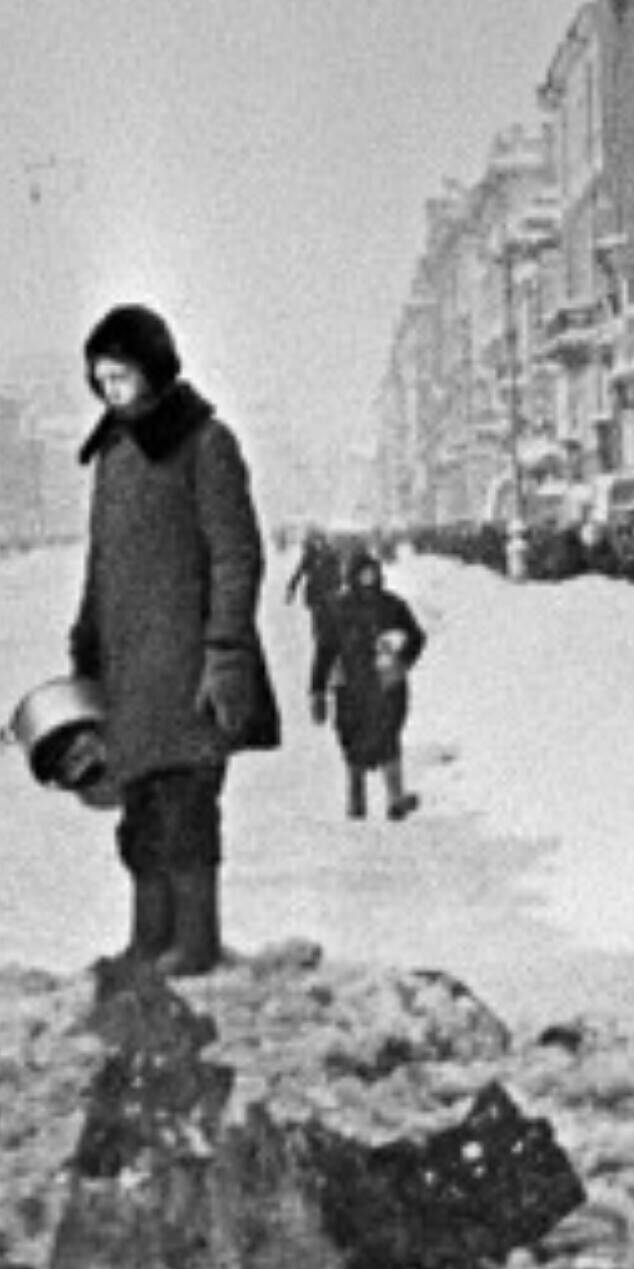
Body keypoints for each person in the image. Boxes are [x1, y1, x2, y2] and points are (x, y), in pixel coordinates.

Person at [69, 303, 281, 975]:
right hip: (128, 673)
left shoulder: (205, 443)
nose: (111, 391)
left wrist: (226, 653)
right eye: (101, 379)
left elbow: (235, 554)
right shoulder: (110, 454)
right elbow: (101, 560)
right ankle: (148, 937)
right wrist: (84, 641)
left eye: (121, 376)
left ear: (154, 370)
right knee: (139, 813)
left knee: (186, 810)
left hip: (190, 669)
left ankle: (194, 940)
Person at [325, 550, 427, 821]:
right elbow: (326, 648)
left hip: (386, 685)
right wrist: (316, 689)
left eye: (373, 572)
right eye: (363, 572)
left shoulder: (393, 605)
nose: (369, 578)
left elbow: (416, 636)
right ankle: (355, 800)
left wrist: (402, 662)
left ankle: (396, 799)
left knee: (389, 735)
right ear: (352, 575)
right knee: (351, 738)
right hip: (351, 685)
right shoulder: (339, 607)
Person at [283, 529, 343, 723]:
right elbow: (299, 573)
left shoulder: (332, 555)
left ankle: (333, 674)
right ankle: (318, 695)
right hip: (317, 602)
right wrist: (291, 589)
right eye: (316, 540)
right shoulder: (309, 555)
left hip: (331, 601)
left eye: (321, 539)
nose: (320, 542)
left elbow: (340, 576)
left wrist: (339, 591)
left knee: (332, 640)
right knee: (322, 638)